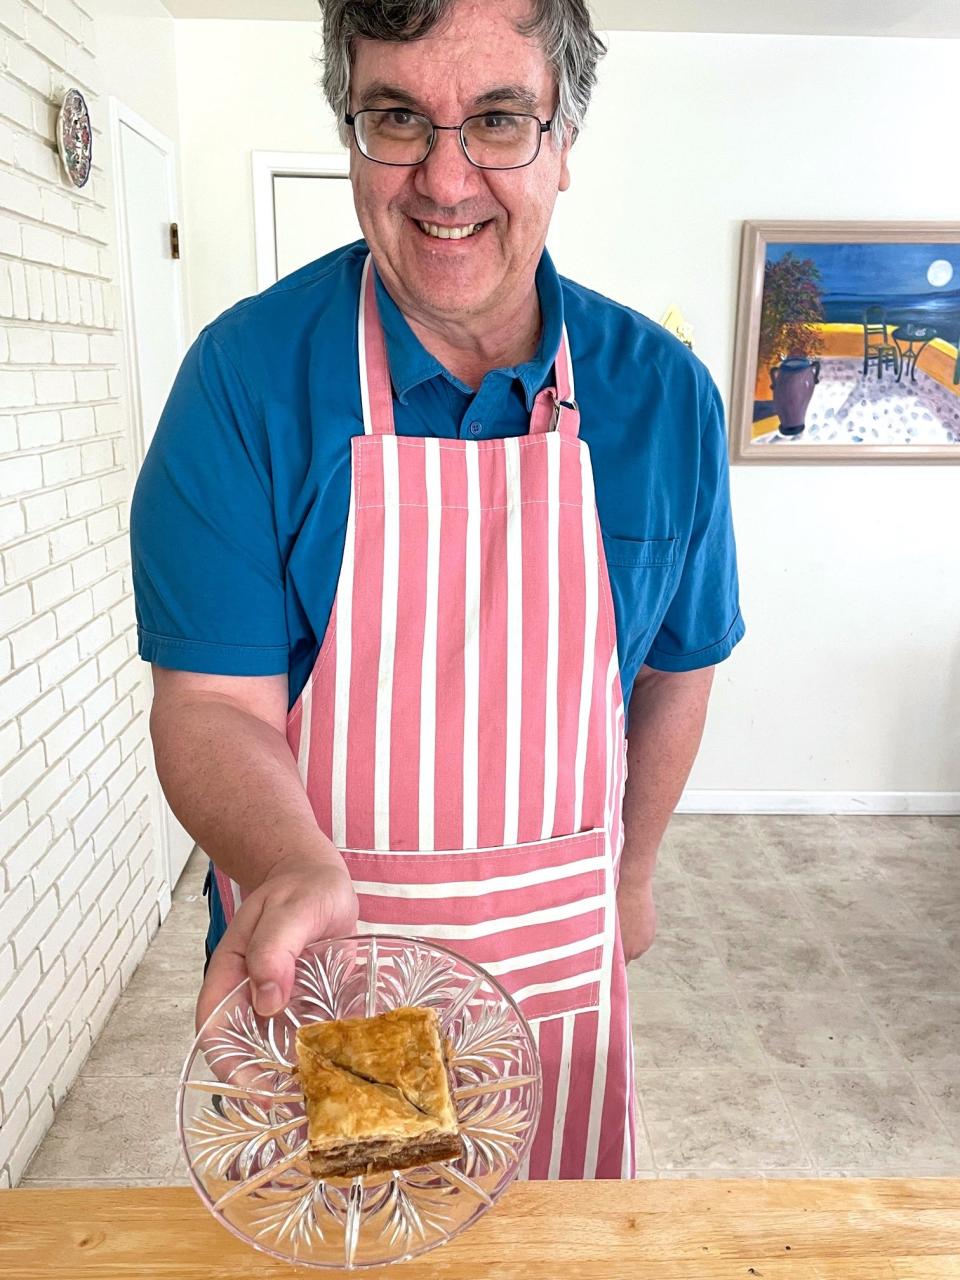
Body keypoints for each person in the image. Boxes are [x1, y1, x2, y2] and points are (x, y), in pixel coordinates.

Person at [131, 0, 743, 1180]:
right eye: (398, 118)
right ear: (350, 128)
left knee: (545, 1249)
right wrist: (291, 863)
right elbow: (211, 705)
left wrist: (635, 869)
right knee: (371, 1234)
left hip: (557, 967)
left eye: (500, 119)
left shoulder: (665, 402)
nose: (445, 178)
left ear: (563, 143)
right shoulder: (245, 383)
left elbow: (681, 663)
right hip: (342, 973)